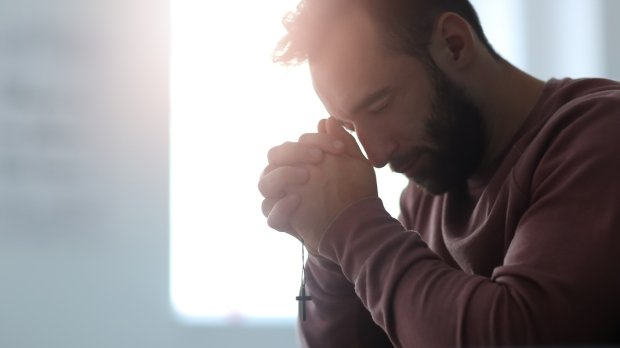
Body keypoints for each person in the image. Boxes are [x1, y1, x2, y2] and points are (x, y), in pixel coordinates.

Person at [257, 0, 620, 346]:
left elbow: (518, 335)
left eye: (380, 105)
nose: (376, 155)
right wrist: (328, 249)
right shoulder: (427, 193)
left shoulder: (601, 134)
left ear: (454, 44)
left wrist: (353, 228)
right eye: (350, 127)